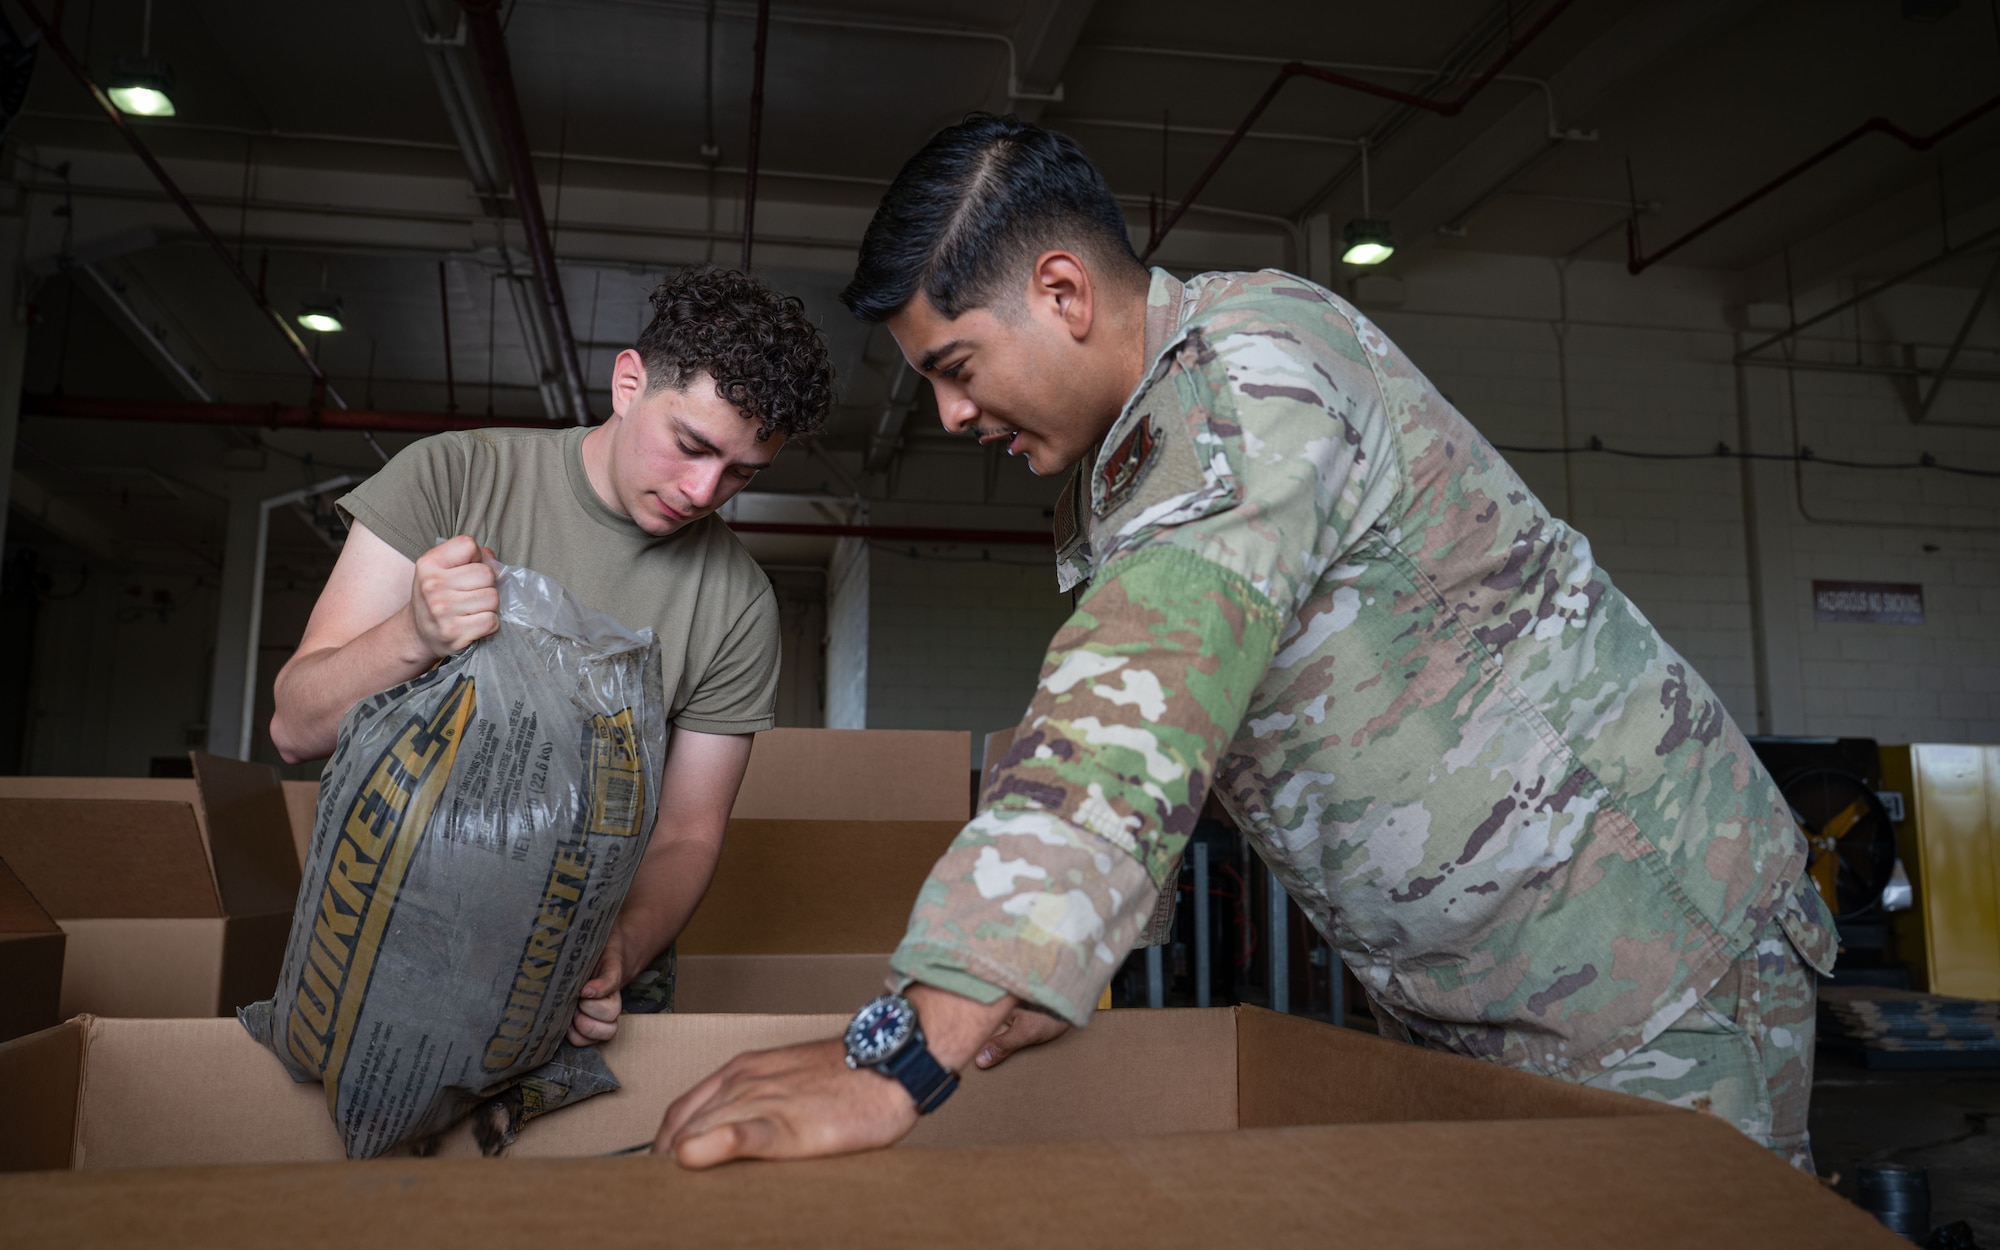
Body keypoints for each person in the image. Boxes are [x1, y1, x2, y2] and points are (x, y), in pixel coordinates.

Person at [653, 116, 1838, 1173]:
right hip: (1484, 977)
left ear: (1061, 292)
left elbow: (1138, 693)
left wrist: (913, 1045)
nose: (950, 414)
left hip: (1643, 957)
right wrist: (1046, 973)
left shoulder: (1243, 379)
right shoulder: (1129, 457)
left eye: (954, 368)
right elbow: (1182, 719)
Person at [270, 265, 834, 1044]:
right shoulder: (453, 479)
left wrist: (624, 948)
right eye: (691, 445)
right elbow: (294, 728)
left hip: (585, 979)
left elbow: (687, 833)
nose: (704, 492)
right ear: (629, 384)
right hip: (389, 943)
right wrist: (413, 635)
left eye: (741, 471)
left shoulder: (737, 605)